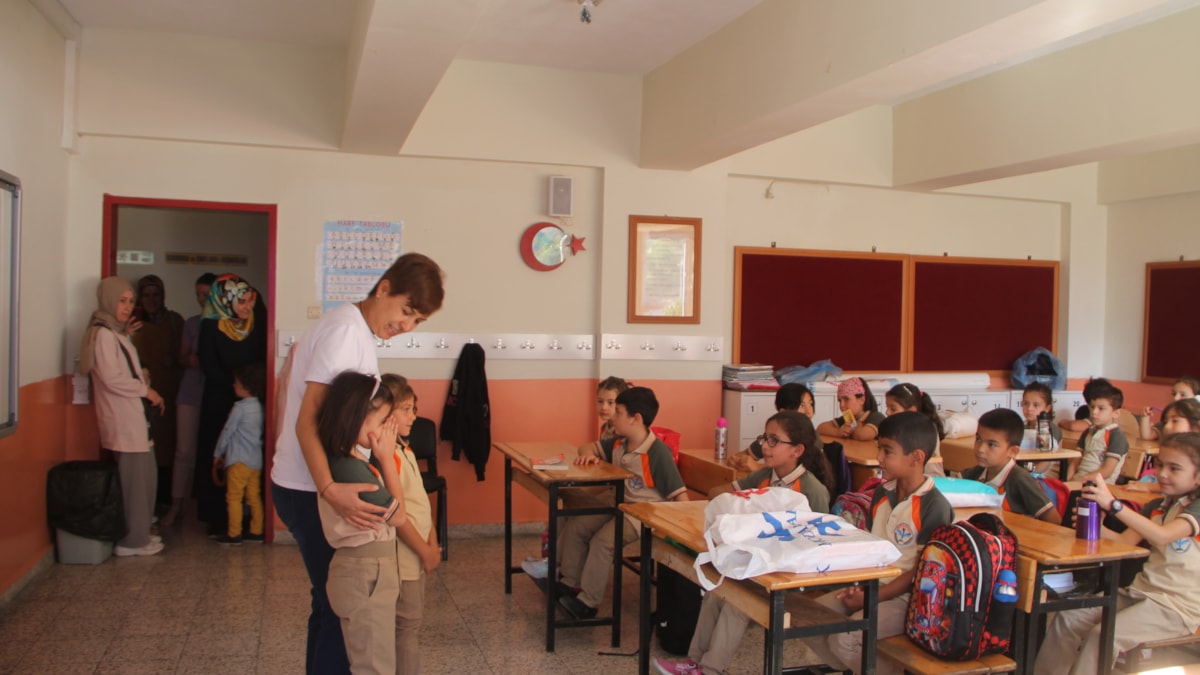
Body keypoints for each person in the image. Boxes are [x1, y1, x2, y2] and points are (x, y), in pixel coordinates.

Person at [271, 253, 444, 675]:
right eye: (406, 311)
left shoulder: (352, 329)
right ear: (383, 288)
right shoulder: (347, 333)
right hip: (316, 488)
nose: (407, 326)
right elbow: (307, 420)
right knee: (343, 608)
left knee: (330, 605)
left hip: (313, 483)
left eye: (418, 320)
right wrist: (330, 489)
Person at [655, 411, 833, 675]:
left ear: (797, 450)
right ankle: (695, 660)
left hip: (789, 578)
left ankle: (710, 670)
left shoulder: (812, 490)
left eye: (774, 441)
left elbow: (818, 547)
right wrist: (744, 501)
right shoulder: (765, 477)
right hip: (756, 566)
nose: (764, 446)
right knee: (716, 589)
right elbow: (718, 493)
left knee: (736, 603)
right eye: (764, 438)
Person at [1033, 432, 1200, 675]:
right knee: (1068, 618)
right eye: (1161, 465)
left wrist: (1114, 505)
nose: (1162, 474)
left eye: (1174, 468)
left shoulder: (1196, 509)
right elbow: (1125, 541)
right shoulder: (1159, 506)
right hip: (1140, 592)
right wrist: (1098, 527)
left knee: (1103, 635)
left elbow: (1162, 536)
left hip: (1176, 607)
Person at [805, 412, 953, 675]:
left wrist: (870, 598)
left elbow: (920, 573)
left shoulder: (934, 506)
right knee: (807, 620)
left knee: (845, 639)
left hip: (907, 600)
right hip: (873, 586)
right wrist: (858, 588)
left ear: (916, 457)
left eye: (887, 451)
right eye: (879, 449)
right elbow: (872, 550)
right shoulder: (882, 493)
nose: (879, 457)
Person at [557, 386, 689, 620]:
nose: (612, 416)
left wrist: (678, 534)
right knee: (578, 525)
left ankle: (588, 603)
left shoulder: (657, 453)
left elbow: (681, 498)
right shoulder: (619, 443)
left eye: (618, 412)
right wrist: (588, 455)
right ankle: (570, 583)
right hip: (618, 501)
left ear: (635, 419)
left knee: (603, 542)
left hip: (644, 512)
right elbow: (587, 447)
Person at [316, 371, 404, 675]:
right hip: (366, 572)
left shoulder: (347, 460)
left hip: (366, 570)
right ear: (355, 418)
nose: (385, 429)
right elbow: (399, 516)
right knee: (374, 667)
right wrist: (387, 457)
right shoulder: (348, 469)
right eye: (382, 421)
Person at [78, 276, 167, 557]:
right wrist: (146, 390)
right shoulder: (104, 334)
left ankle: (140, 534)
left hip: (134, 419)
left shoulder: (115, 332)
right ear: (108, 301)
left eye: (130, 301)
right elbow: (111, 377)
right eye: (122, 301)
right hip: (124, 420)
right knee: (134, 485)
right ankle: (132, 541)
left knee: (145, 479)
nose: (127, 307)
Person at [380, 374, 442, 674]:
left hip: (417, 554)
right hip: (403, 558)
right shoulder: (387, 457)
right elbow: (398, 516)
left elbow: (420, 502)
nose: (413, 416)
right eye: (405, 409)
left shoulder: (404, 450)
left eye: (413, 409)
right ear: (384, 412)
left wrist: (432, 542)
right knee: (406, 627)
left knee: (411, 624)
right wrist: (424, 551)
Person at [162, 272, 216, 527]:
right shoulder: (192, 324)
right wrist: (191, 360)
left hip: (214, 394)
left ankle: (200, 507)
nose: (201, 299)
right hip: (190, 391)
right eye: (198, 294)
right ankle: (176, 505)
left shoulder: (227, 324)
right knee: (183, 451)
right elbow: (181, 357)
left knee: (211, 451)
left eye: (205, 294)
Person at [130, 274, 186, 507]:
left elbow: (186, 354)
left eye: (156, 294)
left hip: (170, 390)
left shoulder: (174, 321)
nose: (151, 300)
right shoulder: (133, 323)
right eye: (146, 295)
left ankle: (166, 498)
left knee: (170, 443)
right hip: (141, 393)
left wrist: (174, 360)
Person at [961, 408, 1059, 523]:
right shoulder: (976, 473)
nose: (981, 449)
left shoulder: (1020, 479)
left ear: (1013, 451)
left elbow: (1054, 520)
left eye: (991, 445)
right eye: (978, 439)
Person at [212, 362, 266, 545]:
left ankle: (234, 533)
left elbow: (227, 431)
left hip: (238, 460)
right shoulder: (261, 407)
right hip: (256, 461)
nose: (234, 385)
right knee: (254, 497)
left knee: (234, 498)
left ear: (245, 386)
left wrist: (218, 453)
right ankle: (257, 531)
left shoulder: (239, 408)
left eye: (237, 383)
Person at [727, 382, 823, 473]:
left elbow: (795, 469)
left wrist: (757, 467)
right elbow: (748, 454)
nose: (808, 411)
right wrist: (735, 460)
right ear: (783, 412)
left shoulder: (811, 436)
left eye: (810, 404)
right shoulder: (773, 435)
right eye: (801, 405)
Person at [1069, 381, 1129, 483]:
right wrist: (1066, 482)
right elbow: (1075, 463)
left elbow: (1107, 471)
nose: (1094, 412)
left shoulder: (1116, 436)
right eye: (1092, 407)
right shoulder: (1087, 432)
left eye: (1101, 408)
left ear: (1116, 413)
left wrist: (1082, 480)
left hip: (1099, 485)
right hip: (1079, 481)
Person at [883, 382, 946, 477]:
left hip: (931, 479)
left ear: (911, 410)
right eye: (887, 407)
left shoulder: (922, 430)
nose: (887, 412)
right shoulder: (901, 429)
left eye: (893, 409)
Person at [817, 377, 885, 441]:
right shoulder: (847, 419)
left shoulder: (877, 417)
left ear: (862, 400)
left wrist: (848, 431)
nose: (841, 405)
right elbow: (821, 428)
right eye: (839, 401)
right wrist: (839, 432)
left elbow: (862, 435)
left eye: (846, 399)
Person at [1020, 382, 1063, 477]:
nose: (1029, 408)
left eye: (1036, 405)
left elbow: (1045, 463)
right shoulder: (1021, 427)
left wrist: (1026, 476)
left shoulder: (1051, 430)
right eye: (1026, 403)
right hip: (1027, 472)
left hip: (1046, 476)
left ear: (1047, 408)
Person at [1139, 376, 1200, 441]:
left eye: (1183, 395)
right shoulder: (1169, 420)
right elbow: (1147, 436)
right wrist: (1145, 417)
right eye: (1174, 394)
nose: (1175, 398)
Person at [595, 375, 632, 441]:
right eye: (600, 401)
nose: (604, 407)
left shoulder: (626, 432)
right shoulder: (604, 428)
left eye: (610, 402)